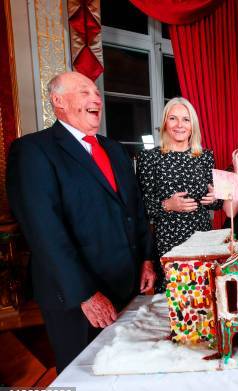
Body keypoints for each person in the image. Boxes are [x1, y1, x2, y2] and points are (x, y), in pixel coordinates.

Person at [6, 71, 155, 373]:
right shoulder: (33, 150)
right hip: (76, 298)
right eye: (84, 92)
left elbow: (136, 210)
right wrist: (85, 294)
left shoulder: (114, 149)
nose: (96, 98)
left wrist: (148, 259)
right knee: (83, 379)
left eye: (96, 93)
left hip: (126, 287)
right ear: (58, 101)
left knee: (124, 372)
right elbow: (44, 231)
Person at [137, 97, 221, 292]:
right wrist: (167, 205)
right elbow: (141, 205)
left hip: (202, 237)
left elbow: (216, 204)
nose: (179, 125)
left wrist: (214, 199)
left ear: (193, 125)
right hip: (168, 240)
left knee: (203, 294)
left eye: (186, 119)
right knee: (175, 298)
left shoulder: (205, 156)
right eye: (173, 118)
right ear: (165, 122)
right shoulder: (150, 158)